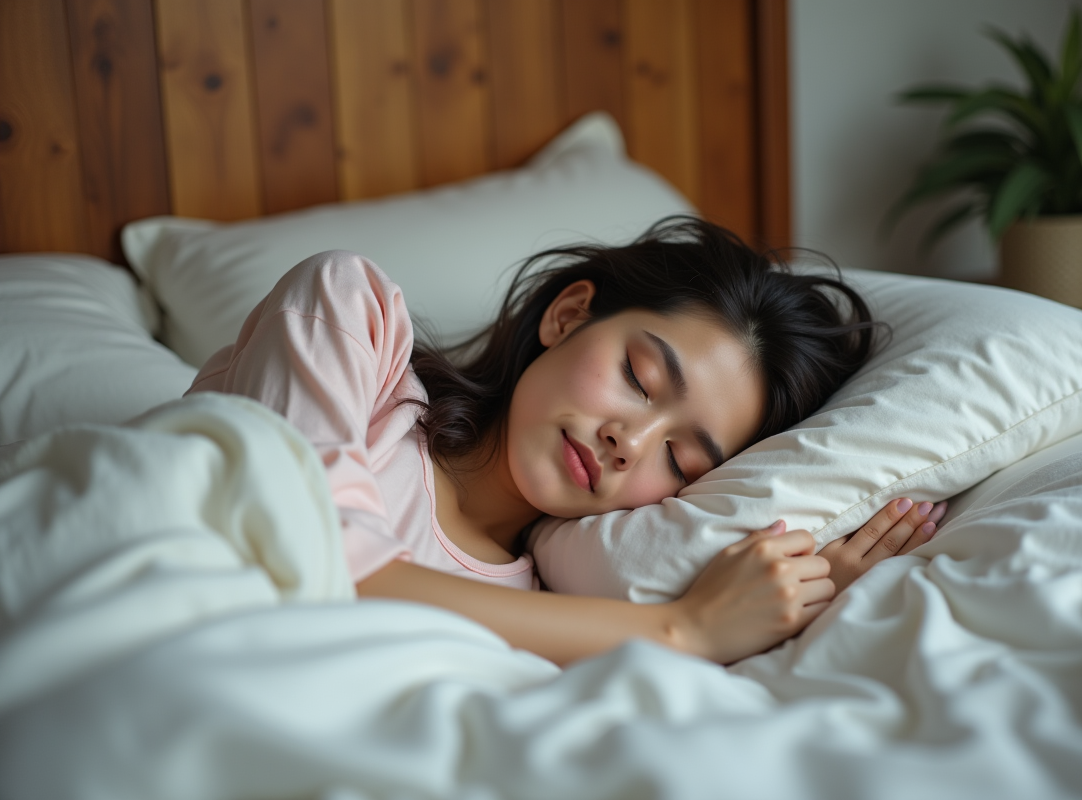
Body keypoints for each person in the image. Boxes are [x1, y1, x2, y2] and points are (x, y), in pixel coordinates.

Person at [187, 217, 946, 667]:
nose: (629, 441)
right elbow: (304, 565)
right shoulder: (352, 318)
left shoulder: (566, 605)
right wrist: (684, 630)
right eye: (639, 378)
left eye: (680, 459)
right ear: (568, 315)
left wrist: (801, 605)